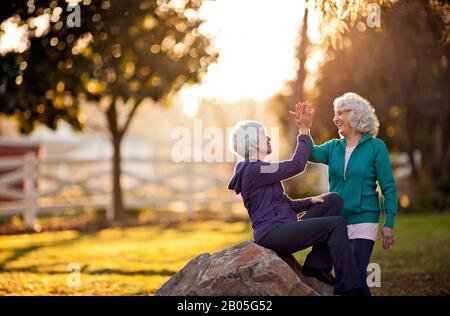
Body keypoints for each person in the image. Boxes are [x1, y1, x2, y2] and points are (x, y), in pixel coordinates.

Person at [228, 102, 363, 295]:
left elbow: (284, 204)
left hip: (283, 226)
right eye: (262, 135)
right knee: (337, 224)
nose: (267, 138)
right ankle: (349, 288)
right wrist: (304, 130)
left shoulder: (262, 168)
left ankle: (316, 265)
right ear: (253, 143)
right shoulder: (253, 169)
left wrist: (310, 201)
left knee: (333, 200)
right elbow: (297, 165)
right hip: (272, 234)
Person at [297, 93, 398, 296]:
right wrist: (304, 128)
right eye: (335, 113)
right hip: (337, 221)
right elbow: (310, 153)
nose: (335, 118)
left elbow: (388, 187)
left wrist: (389, 223)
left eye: (341, 112)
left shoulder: (376, 147)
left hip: (364, 218)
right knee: (347, 280)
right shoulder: (334, 146)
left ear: (357, 115)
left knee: (356, 277)